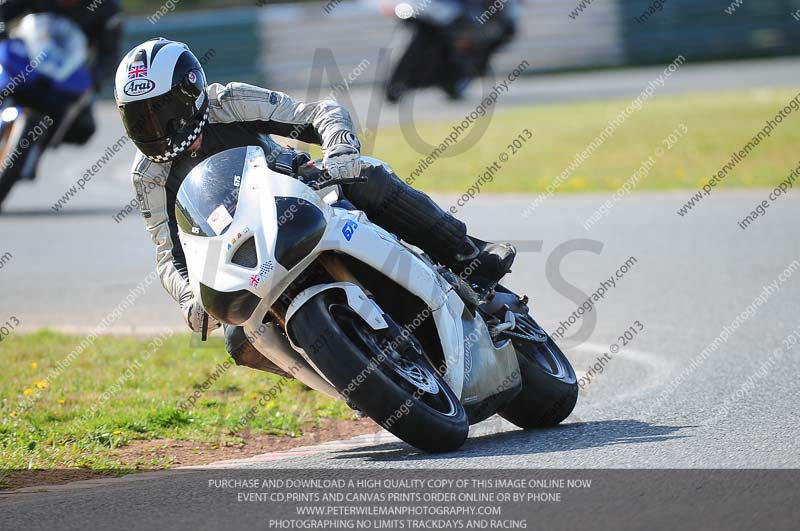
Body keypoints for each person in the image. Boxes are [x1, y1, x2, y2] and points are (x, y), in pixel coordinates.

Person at [115, 38, 516, 374]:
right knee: (239, 339)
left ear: (190, 93)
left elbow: (317, 113)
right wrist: (190, 298)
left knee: (368, 176)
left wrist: (340, 142)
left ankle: (468, 257)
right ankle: (341, 376)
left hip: (302, 195)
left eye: (161, 111)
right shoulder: (148, 174)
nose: (155, 128)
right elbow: (169, 255)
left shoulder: (230, 102)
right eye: (140, 120)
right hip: (241, 253)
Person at [0, 0, 122, 146]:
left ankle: (37, 148)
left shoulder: (106, 8)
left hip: (64, 77)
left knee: (83, 127)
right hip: (24, 63)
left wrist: (93, 81)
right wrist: (3, 38)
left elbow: (109, 56)